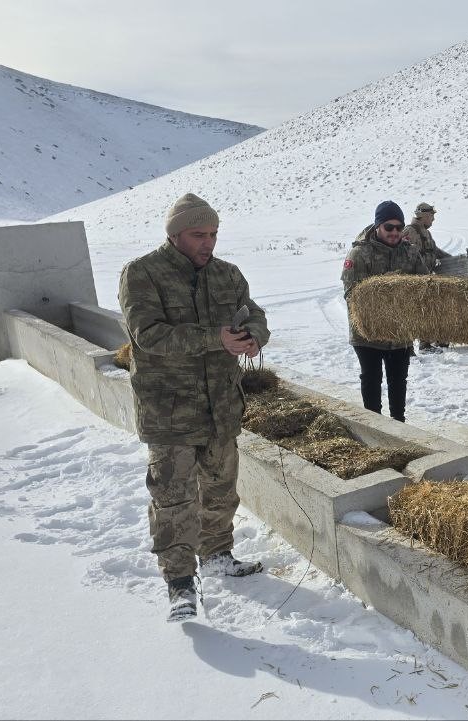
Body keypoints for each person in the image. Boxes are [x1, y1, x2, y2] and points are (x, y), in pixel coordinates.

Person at [118, 192, 270, 623]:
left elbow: (254, 313)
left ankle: (218, 554)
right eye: (198, 234)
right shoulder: (143, 273)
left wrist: (255, 336)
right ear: (175, 235)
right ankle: (180, 582)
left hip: (220, 407)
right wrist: (215, 339)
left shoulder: (227, 275)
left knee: (220, 489)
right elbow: (148, 335)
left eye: (214, 234)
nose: (208, 243)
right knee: (173, 499)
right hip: (170, 412)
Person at [342, 200, 430, 421]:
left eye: (399, 227)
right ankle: (376, 428)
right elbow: (352, 294)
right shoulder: (359, 254)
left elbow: (424, 286)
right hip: (367, 334)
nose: (394, 232)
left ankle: (398, 425)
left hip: (400, 334)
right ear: (378, 226)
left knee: (398, 381)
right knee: (371, 380)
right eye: (389, 227)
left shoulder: (410, 253)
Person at [401, 202, 452, 354]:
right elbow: (409, 257)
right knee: (421, 311)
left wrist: (453, 259)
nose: (433, 220)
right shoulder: (410, 231)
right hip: (415, 280)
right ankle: (423, 344)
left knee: (431, 308)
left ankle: (435, 340)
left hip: (425, 278)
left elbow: (434, 251)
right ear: (423, 216)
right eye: (431, 216)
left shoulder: (425, 232)